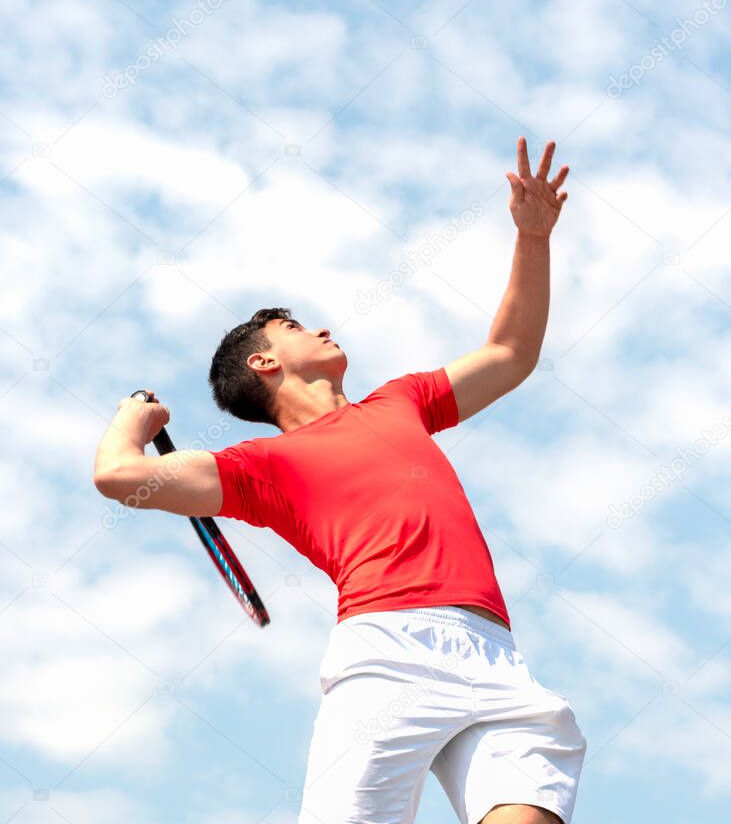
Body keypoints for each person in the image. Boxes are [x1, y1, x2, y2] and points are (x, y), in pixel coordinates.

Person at [93, 137, 585, 824]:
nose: (318, 326)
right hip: (388, 655)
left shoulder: (400, 400)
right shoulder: (259, 468)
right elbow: (119, 475)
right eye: (292, 326)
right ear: (263, 362)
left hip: (493, 650)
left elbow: (509, 351)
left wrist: (531, 238)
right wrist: (132, 419)